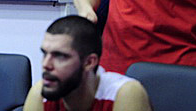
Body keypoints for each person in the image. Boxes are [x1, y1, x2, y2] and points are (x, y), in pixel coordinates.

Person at [23, 15, 151, 111]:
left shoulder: (124, 93)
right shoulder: (40, 94)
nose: (46, 64)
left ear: (89, 62)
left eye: (60, 56)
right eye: (45, 54)